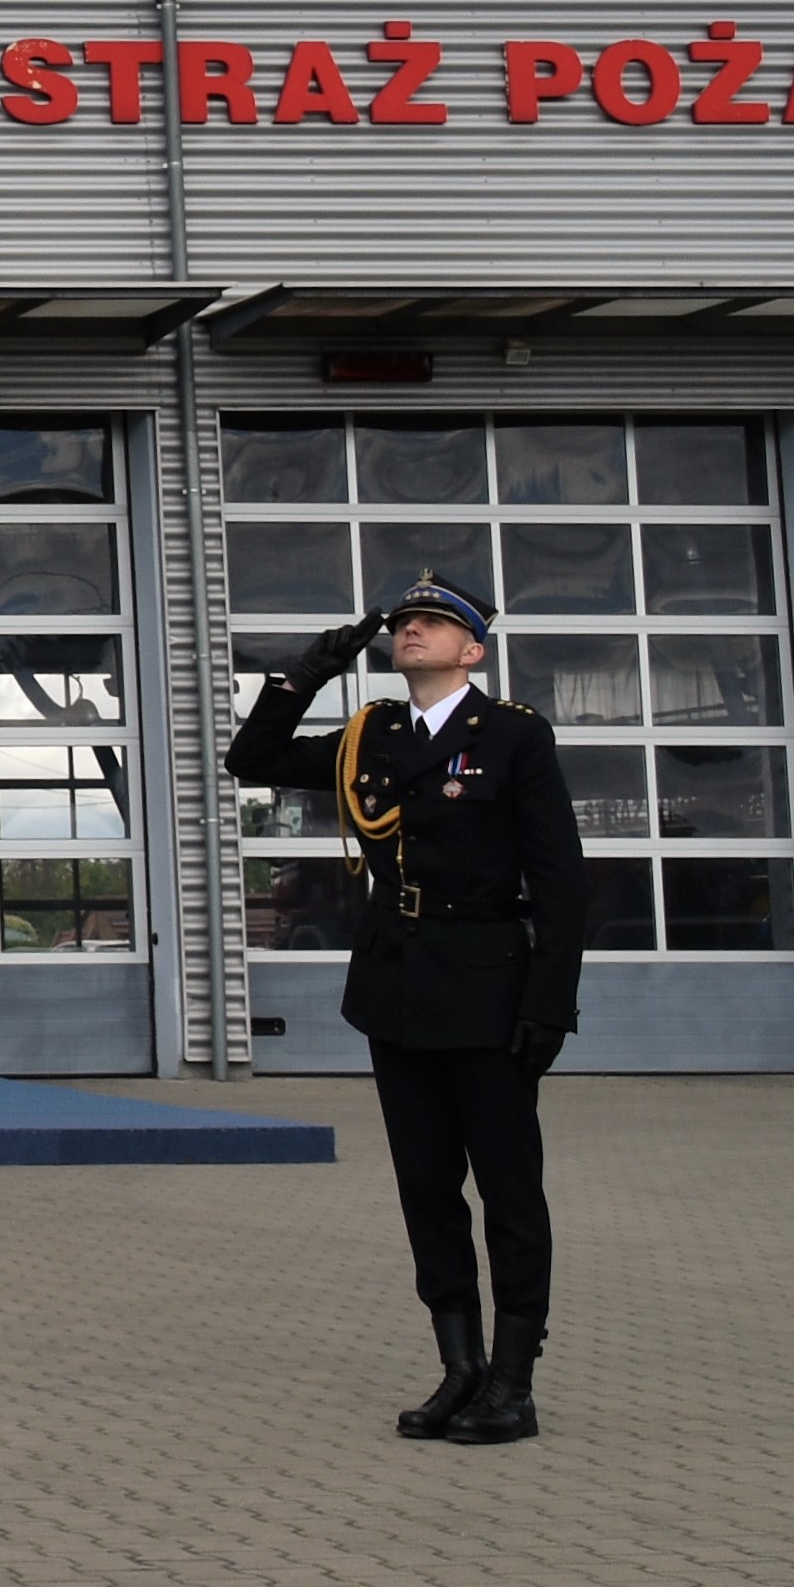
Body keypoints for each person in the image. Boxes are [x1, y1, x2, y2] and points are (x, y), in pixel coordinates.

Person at [231, 577, 590, 1445]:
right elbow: (253, 760)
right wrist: (302, 677)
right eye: (403, 622)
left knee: (508, 1189)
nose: (411, 630)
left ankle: (514, 1383)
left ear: (472, 649)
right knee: (427, 1189)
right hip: (397, 988)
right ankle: (460, 1367)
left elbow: (561, 880)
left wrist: (551, 1000)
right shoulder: (374, 736)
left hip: (489, 989)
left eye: (432, 622)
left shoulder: (513, 735)